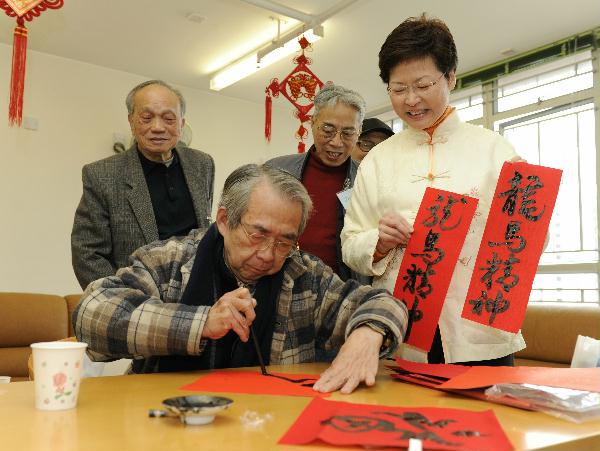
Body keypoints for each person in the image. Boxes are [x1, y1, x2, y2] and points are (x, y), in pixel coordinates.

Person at [73, 164, 408, 394]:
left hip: (266, 422)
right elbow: (92, 314)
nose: (267, 254)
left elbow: (382, 302)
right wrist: (201, 321)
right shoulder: (169, 260)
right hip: (164, 420)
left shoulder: (303, 273)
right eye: (257, 234)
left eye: (284, 241)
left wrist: (368, 333)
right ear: (223, 220)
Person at [341, 14, 525, 366]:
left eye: (423, 84)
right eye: (398, 89)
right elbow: (350, 244)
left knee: (486, 421)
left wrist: (524, 209)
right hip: (404, 328)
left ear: (451, 76)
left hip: (480, 331)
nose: (411, 100)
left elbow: (527, 242)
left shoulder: (494, 150)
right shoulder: (376, 161)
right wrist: (377, 242)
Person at [71, 80, 215, 289]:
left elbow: (205, 228)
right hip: (136, 297)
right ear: (131, 121)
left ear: (182, 123)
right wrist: (122, 300)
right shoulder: (101, 174)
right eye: (147, 118)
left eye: (168, 118)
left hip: (195, 290)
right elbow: (87, 252)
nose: (157, 127)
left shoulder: (202, 164)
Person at [266, 83, 367, 283]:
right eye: (328, 130)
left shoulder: (366, 179)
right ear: (313, 122)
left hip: (341, 289)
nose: (337, 142)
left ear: (359, 132)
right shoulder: (276, 170)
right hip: (277, 280)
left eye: (348, 133)